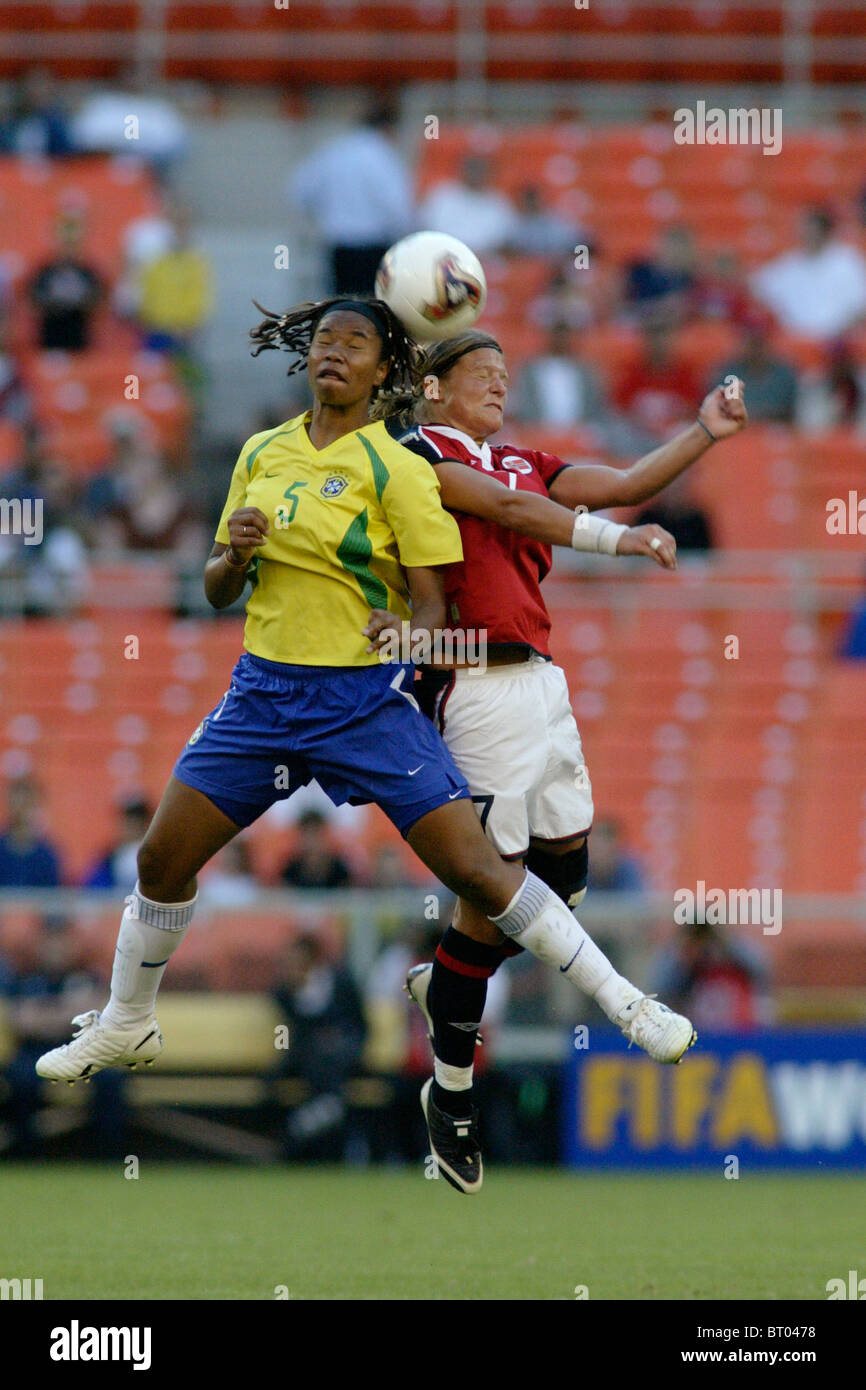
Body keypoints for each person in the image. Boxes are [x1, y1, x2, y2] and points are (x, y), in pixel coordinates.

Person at [35, 294, 696, 1198]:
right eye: (324, 339)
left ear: (387, 369)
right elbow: (217, 588)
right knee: (160, 859)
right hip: (264, 694)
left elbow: (432, 602)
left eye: (355, 342)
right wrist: (233, 555)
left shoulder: (400, 464)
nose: (333, 351)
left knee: (480, 873)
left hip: (361, 701)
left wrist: (410, 635)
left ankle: (626, 1003)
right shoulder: (262, 452)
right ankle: (127, 1020)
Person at [375, 329, 746, 1184]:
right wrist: (618, 542)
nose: (498, 385)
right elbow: (510, 512)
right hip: (475, 684)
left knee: (559, 884)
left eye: (505, 374)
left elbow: (625, 484)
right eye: (481, 373)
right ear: (433, 388)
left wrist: (703, 432)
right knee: (497, 894)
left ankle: (448, 982)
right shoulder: (420, 454)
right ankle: (458, 1093)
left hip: (541, 680)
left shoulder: (522, 460)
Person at [288, 102, 414, 295]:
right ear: (388, 128)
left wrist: (325, 213)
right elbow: (396, 206)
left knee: (340, 305)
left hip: (339, 247)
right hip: (374, 247)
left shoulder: (335, 151)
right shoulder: (383, 156)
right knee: (374, 305)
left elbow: (300, 189)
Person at [271, 932, 367, 1160]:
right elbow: (287, 1035)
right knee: (310, 1059)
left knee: (326, 1057)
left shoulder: (342, 983)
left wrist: (339, 1040)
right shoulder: (284, 995)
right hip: (304, 1060)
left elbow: (361, 1026)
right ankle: (328, 1109)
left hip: (340, 1058)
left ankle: (312, 1120)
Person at [751, 206, 866, 341]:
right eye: (805, 230)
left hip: (837, 342)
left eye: (813, 230)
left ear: (825, 232)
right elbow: (758, 287)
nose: (808, 235)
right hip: (793, 340)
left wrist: (842, 334)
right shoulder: (789, 263)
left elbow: (860, 306)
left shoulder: (848, 262)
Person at [27, 214, 105, 353]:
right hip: (50, 340)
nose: (68, 247)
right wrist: (58, 303)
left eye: (72, 242)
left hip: (79, 339)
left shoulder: (88, 273)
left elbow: (98, 300)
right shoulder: (45, 271)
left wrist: (76, 302)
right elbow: (34, 299)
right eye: (65, 241)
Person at [418, 154, 517, 255]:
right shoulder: (442, 193)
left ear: (490, 173)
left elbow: (502, 240)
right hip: (440, 252)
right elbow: (426, 228)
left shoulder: (499, 203)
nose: (476, 175)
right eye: (473, 169)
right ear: (462, 170)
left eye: (480, 171)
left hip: (483, 259)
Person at [0, 776, 62, 888]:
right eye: (17, 804)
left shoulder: (46, 856)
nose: (21, 811)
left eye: (27, 804)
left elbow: (52, 895)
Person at [280, 808, 355, 889]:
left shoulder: (341, 871)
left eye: (316, 835)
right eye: (307, 836)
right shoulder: (289, 870)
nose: (312, 842)